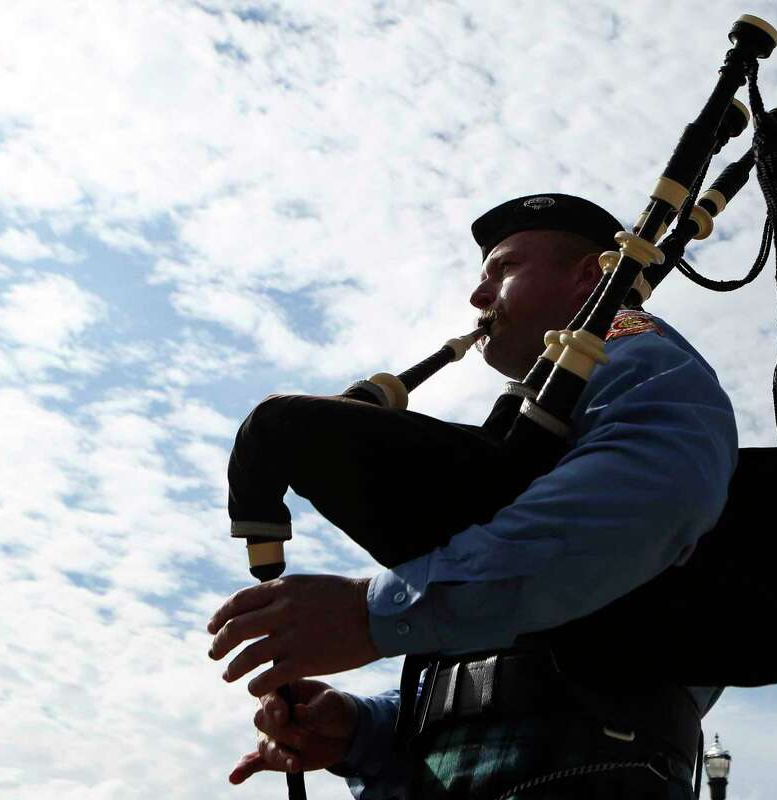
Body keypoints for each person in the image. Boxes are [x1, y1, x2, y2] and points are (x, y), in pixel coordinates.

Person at [207, 194, 739, 798]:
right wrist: (359, 727)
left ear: (591, 276)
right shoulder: (540, 413)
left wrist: (373, 614)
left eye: (504, 269)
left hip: (586, 767)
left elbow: (642, 506)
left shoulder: (634, 351)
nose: (478, 297)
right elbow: (504, 651)